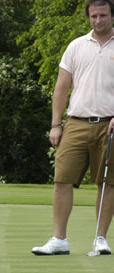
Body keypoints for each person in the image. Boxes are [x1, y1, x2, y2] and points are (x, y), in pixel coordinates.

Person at [32, 0, 114, 256]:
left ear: (112, 16)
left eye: (102, 15)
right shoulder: (76, 46)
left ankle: (100, 238)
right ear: (88, 17)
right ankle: (59, 240)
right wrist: (56, 125)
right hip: (76, 123)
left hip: (109, 125)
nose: (98, 21)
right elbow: (61, 87)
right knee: (62, 179)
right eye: (93, 16)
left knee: (108, 183)